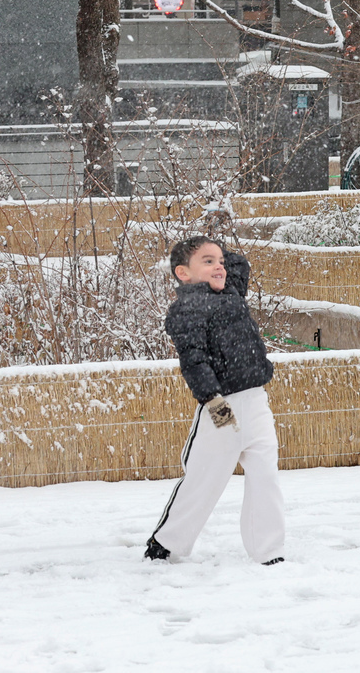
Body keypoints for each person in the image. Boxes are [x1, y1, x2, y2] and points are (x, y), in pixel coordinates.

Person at [145, 236, 285, 565]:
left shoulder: (232, 293)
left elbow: (239, 264)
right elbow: (193, 361)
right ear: (183, 273)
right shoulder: (186, 308)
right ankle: (165, 542)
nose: (219, 265)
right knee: (205, 479)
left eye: (219, 260)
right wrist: (214, 402)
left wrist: (214, 249)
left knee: (266, 476)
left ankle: (269, 551)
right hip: (221, 405)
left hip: (255, 399)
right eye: (207, 261)